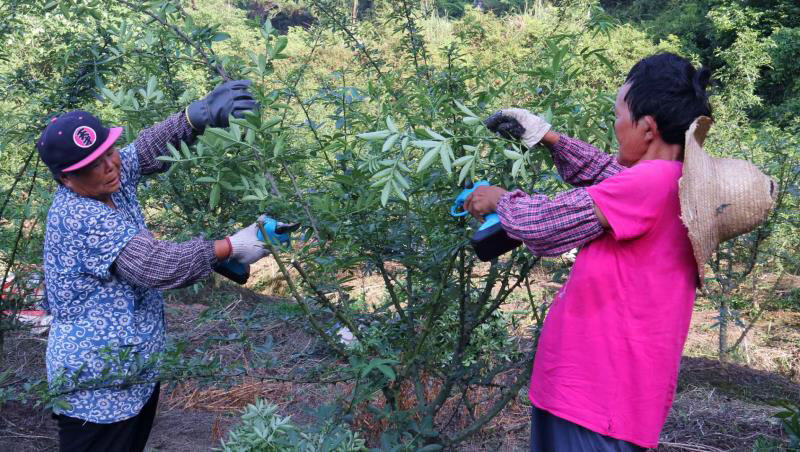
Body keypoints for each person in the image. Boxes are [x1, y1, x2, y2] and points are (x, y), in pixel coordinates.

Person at [465, 53, 775, 450]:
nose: (614, 126)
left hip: (592, 401)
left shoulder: (647, 184)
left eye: (618, 115)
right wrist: (547, 138)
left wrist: (499, 200)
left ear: (647, 127)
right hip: (611, 398)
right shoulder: (673, 185)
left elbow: (541, 226)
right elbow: (609, 176)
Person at [36, 80, 273, 452]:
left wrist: (194, 118)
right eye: (91, 165)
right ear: (66, 177)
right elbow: (154, 265)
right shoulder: (80, 214)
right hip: (100, 388)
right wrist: (230, 247)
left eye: (108, 151)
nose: (109, 165)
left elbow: (142, 152)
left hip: (134, 370)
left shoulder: (107, 180)